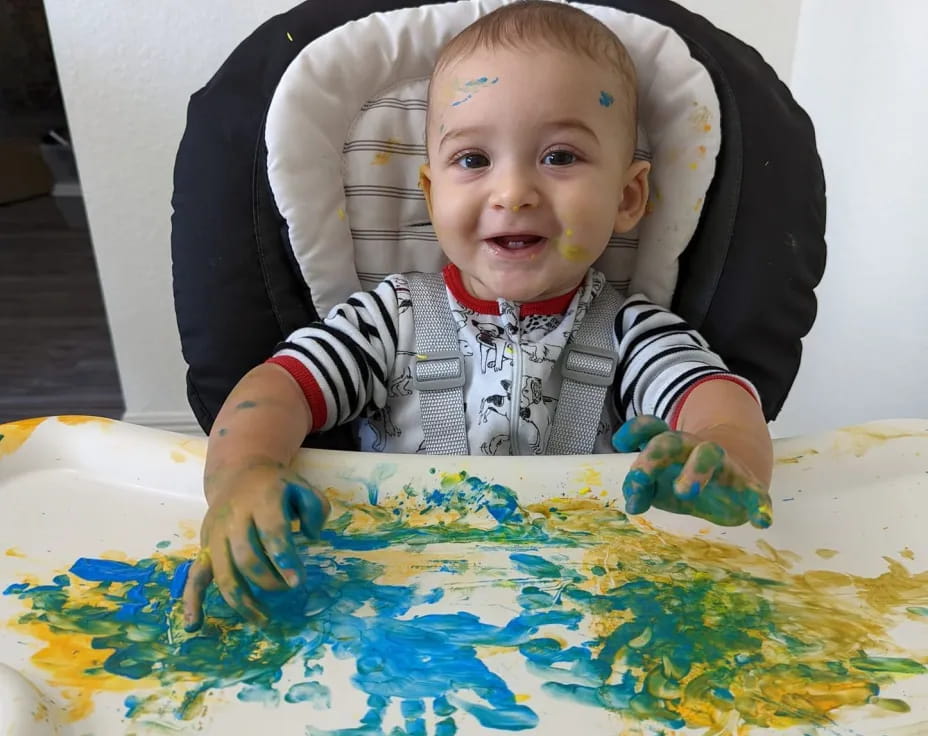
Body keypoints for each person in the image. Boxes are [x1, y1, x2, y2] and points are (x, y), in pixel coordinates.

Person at [181, 0, 773, 631]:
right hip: (400, 600)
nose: (513, 192)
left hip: (587, 605)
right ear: (431, 194)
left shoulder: (632, 333)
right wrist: (244, 473)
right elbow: (278, 389)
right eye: (472, 160)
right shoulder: (389, 322)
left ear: (628, 197)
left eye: (560, 157)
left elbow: (716, 401)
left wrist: (723, 457)